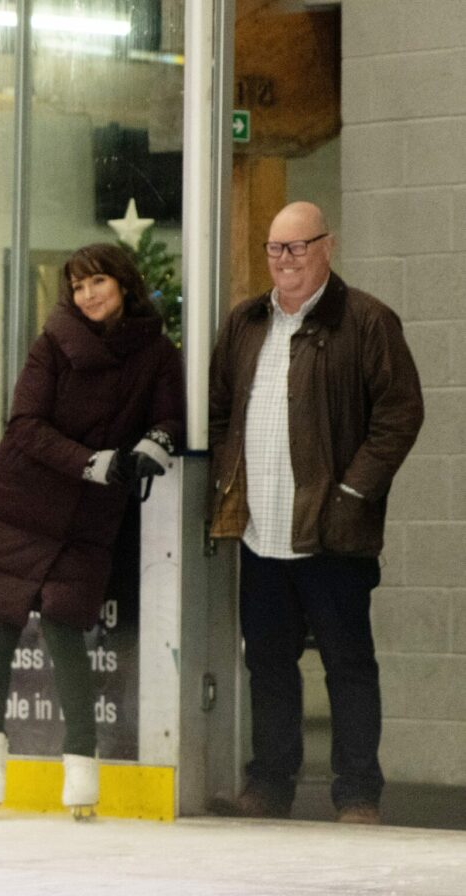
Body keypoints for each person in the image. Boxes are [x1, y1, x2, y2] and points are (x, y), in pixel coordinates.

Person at [208, 202, 423, 825]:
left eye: (298, 248)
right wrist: (228, 482)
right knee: (268, 664)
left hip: (333, 534)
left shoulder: (368, 321)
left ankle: (357, 794)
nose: (285, 261)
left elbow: (399, 415)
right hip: (261, 532)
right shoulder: (247, 322)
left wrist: (352, 494)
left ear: (328, 246)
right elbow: (221, 409)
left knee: (347, 664)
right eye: (276, 249)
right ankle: (270, 785)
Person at [0, 243, 183, 820]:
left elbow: (170, 413)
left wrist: (156, 443)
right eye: (78, 287)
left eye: (97, 282)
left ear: (123, 285)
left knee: (64, 625)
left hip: (86, 516)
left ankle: (81, 770)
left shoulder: (155, 352)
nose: (88, 295)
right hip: (21, 500)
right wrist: (92, 462)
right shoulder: (53, 344)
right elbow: (24, 425)